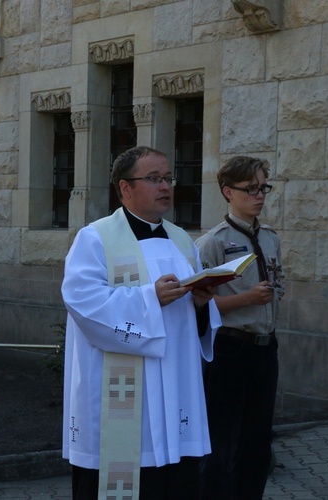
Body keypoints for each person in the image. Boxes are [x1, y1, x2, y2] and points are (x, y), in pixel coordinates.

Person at [61, 146, 221, 499]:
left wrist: (200, 304)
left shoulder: (182, 241)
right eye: (153, 179)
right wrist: (151, 298)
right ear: (125, 188)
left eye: (168, 178)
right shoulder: (96, 238)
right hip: (121, 394)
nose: (165, 186)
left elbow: (194, 323)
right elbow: (83, 303)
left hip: (176, 382)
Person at [196, 156, 285, 499]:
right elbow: (198, 305)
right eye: (251, 189)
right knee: (220, 448)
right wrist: (246, 298)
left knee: (257, 444)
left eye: (264, 187)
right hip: (228, 350)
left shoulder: (271, 238)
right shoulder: (213, 243)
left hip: (264, 349)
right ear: (228, 192)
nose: (259, 195)